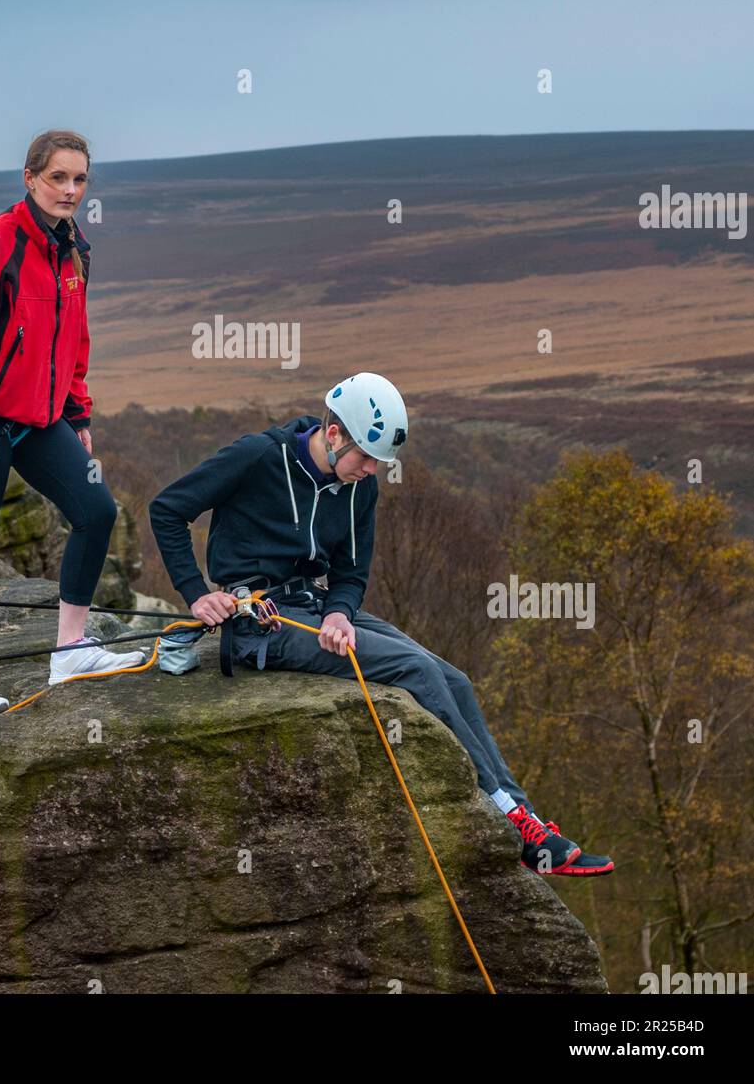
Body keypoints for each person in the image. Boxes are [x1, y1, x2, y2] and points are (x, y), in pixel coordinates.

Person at [149, 372, 614, 876]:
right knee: (415, 669)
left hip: (314, 604)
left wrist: (338, 614)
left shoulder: (358, 488)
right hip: (262, 622)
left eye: (378, 462)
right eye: (365, 457)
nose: (370, 470)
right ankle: (514, 824)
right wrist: (197, 595)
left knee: (454, 679)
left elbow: (350, 573)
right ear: (333, 435)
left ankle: (525, 815)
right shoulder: (259, 457)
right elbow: (168, 510)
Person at [0, 129, 144, 721]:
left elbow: (75, 340)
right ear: (29, 178)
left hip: (42, 420)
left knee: (97, 512)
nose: (69, 190)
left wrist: (77, 415)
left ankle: (70, 650)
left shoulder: (75, 250)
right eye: (58, 178)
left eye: (79, 180)